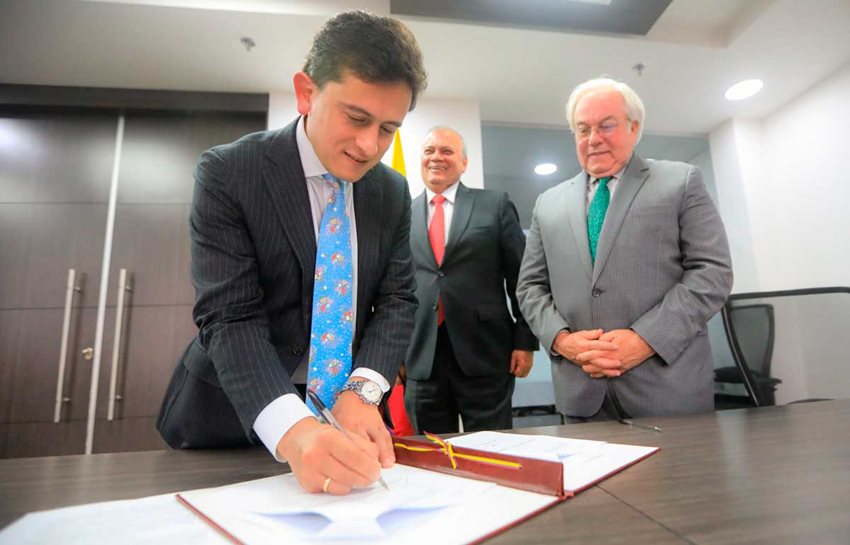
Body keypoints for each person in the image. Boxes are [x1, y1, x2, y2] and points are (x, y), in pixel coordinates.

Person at [156, 10, 427, 495]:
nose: (370, 146)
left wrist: (363, 391)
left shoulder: (390, 191)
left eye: (388, 129)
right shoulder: (230, 172)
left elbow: (397, 301)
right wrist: (294, 429)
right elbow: (229, 315)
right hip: (232, 417)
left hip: (347, 418)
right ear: (307, 93)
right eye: (357, 118)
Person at [516, 77, 733, 422]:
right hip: (581, 395)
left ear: (634, 128)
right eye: (582, 129)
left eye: (606, 125)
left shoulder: (681, 181)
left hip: (667, 390)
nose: (593, 138)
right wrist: (561, 340)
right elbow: (529, 288)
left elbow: (712, 273)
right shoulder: (547, 203)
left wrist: (645, 339)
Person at [404, 126, 538, 434]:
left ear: (464, 163)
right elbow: (394, 288)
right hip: (421, 357)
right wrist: (397, 352)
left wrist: (525, 340)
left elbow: (522, 278)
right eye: (429, 151)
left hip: (487, 354)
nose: (436, 157)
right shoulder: (403, 213)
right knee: (431, 456)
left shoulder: (495, 205)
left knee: (493, 450)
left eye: (446, 151)